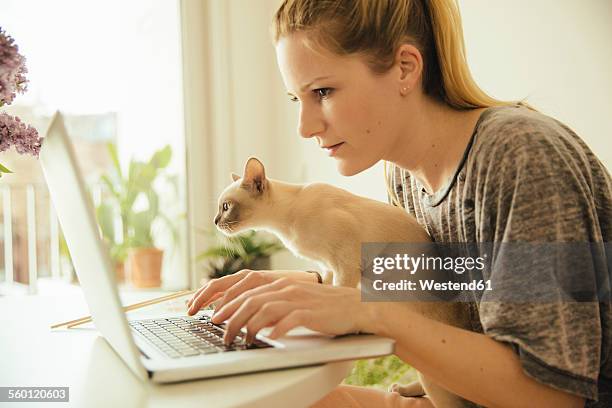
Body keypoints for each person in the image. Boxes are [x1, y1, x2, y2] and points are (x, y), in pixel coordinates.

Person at [187, 0, 611, 406]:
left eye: (324, 91)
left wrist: (368, 312)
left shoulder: (521, 157)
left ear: (405, 68)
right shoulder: (406, 176)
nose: (304, 126)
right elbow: (457, 284)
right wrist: (311, 288)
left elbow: (553, 396)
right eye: (297, 99)